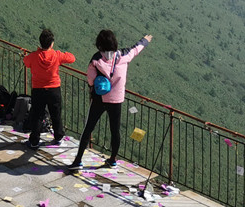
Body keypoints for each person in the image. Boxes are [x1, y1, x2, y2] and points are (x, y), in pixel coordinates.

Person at [68, 29, 152, 169]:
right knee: (115, 130)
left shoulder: (96, 60)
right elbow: (136, 49)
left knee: (88, 128)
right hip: (117, 100)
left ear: (99, 44)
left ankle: (78, 160)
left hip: (99, 99)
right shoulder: (124, 56)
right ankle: (113, 159)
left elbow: (90, 80)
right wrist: (145, 40)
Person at [22, 28, 75, 150]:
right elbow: (72, 58)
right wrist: (60, 53)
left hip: (38, 90)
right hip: (54, 89)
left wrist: (36, 52)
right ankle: (58, 137)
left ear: (40, 43)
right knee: (55, 114)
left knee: (37, 115)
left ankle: (34, 141)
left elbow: (26, 62)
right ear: (52, 43)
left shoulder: (34, 56)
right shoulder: (56, 55)